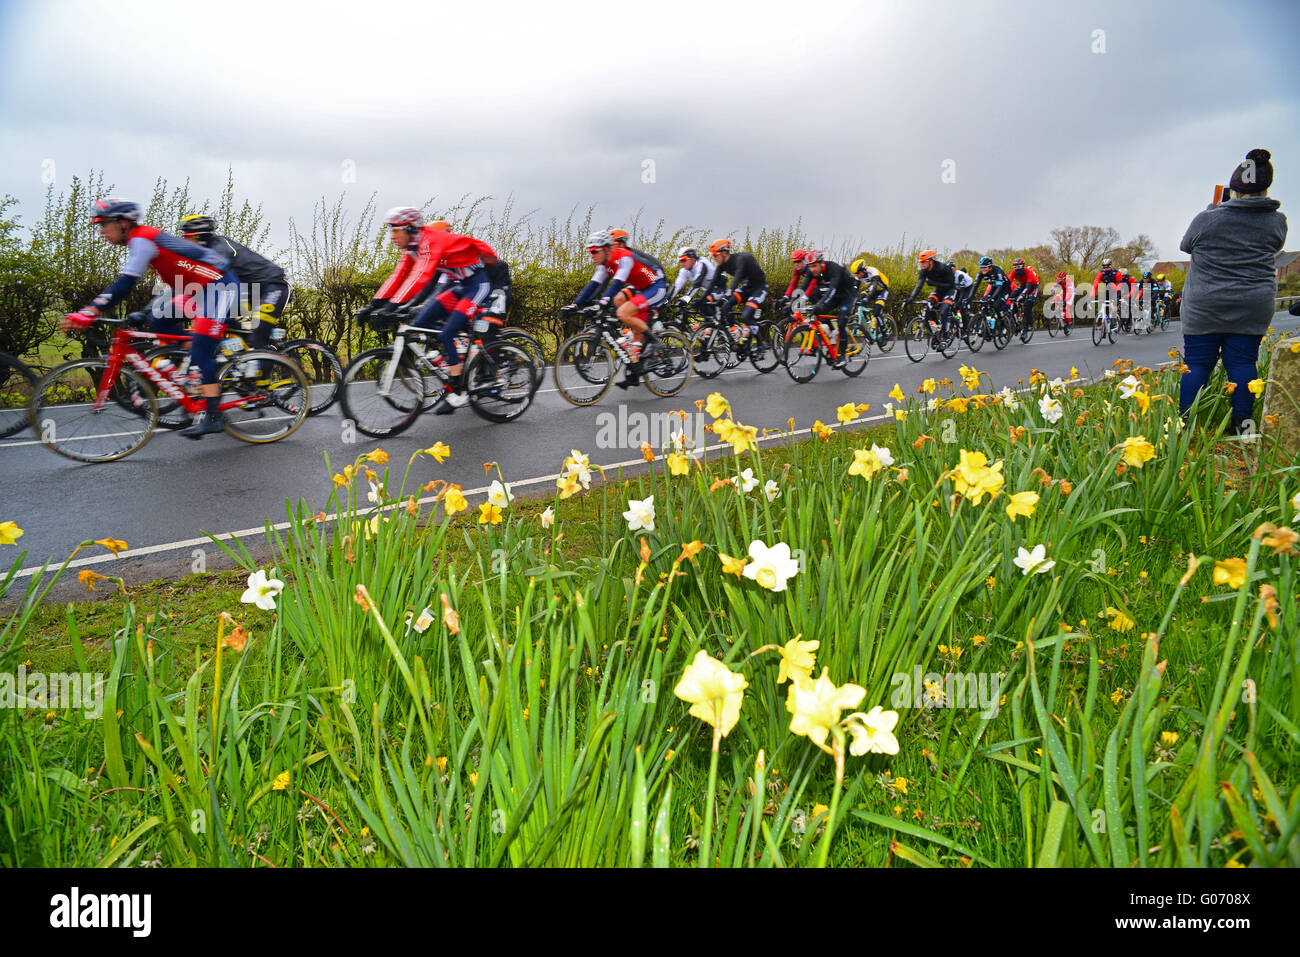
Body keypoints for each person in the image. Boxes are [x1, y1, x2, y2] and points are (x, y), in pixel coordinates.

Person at [62, 198, 240, 439]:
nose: (101, 231)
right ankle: (201, 353)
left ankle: (213, 417)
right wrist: (144, 312)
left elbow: (125, 283)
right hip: (197, 290)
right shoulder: (141, 241)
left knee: (201, 347)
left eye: (104, 224)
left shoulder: (142, 239)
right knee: (159, 320)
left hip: (220, 287)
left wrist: (89, 311)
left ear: (123, 223)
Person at [1178, 148, 1288, 434]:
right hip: (1252, 303)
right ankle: (1244, 427)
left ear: (1233, 189)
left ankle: (1185, 426)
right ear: (1266, 188)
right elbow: (1274, 245)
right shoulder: (1277, 222)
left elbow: (1186, 245)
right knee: (1242, 363)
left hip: (1205, 304)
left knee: (1197, 364)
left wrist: (1214, 208)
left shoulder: (1208, 218)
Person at [359, 207, 499, 414]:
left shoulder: (430, 240)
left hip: (478, 285)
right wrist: (374, 304)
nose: (392, 237)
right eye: (391, 231)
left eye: (396, 231)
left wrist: (391, 307)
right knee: (421, 323)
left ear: (410, 229)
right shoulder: (412, 248)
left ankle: (458, 391)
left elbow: (421, 276)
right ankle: (451, 362)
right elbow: (398, 276)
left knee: (448, 331)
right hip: (460, 286)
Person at [566, 229, 667, 389]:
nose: (591, 255)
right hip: (639, 287)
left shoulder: (624, 256)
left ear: (606, 249)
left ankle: (655, 343)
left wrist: (602, 303)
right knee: (619, 301)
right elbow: (594, 285)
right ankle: (635, 362)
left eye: (594, 251)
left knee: (622, 312)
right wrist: (576, 304)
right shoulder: (604, 264)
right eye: (589, 252)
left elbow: (618, 283)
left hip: (656, 286)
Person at [178, 215, 289, 349]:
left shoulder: (219, 249)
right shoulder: (207, 251)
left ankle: (261, 362)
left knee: (258, 336)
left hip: (272, 287)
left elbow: (206, 282)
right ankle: (242, 354)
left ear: (199, 237)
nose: (184, 240)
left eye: (187, 236)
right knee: (225, 325)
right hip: (249, 292)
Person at [706, 239, 768, 341]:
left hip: (759, 288)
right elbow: (712, 283)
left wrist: (726, 296)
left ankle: (761, 343)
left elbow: (736, 279)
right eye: (712, 256)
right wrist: (702, 299)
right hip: (746, 289)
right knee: (725, 306)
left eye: (715, 255)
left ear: (725, 252)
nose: (714, 258)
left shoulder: (741, 259)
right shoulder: (722, 266)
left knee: (746, 316)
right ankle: (736, 331)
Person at [802, 251, 857, 366]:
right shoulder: (813, 272)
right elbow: (803, 288)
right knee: (818, 313)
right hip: (836, 295)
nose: (812, 269)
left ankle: (842, 356)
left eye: (814, 266)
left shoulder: (833, 268)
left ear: (821, 263)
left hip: (848, 294)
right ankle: (831, 340)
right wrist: (790, 302)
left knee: (841, 322)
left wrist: (819, 304)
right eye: (810, 267)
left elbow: (831, 290)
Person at [902, 250, 958, 335]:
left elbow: (951, 284)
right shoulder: (923, 271)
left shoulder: (942, 268)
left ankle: (944, 334)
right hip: (939, 290)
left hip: (950, 290)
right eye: (920, 262)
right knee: (928, 306)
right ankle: (937, 329)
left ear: (930, 261)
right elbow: (919, 285)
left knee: (943, 311)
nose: (922, 264)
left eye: (924, 262)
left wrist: (934, 283)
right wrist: (911, 298)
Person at [973, 255, 1012, 322]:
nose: (982, 269)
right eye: (981, 267)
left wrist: (993, 298)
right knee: (983, 302)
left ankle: (1004, 324)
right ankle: (990, 322)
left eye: (984, 267)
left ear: (990, 267)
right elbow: (975, 286)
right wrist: (969, 298)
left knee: (996, 306)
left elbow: (999, 287)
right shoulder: (981, 273)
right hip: (994, 288)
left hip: (1005, 289)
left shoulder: (998, 271)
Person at [850, 259, 890, 324]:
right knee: (860, 299)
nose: (856, 276)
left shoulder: (872, 271)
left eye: (857, 273)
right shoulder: (859, 276)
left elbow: (873, 286)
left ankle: (884, 331)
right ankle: (867, 322)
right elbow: (855, 289)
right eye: (855, 274)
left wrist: (867, 298)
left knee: (876, 311)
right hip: (872, 289)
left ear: (863, 270)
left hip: (882, 290)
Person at [1008, 257, 1039, 334]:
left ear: (1023, 265)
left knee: (1027, 306)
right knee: (1011, 297)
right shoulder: (1013, 272)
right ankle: (1015, 319)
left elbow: (1028, 287)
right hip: (1022, 285)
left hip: (1032, 287)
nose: (1016, 268)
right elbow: (1008, 283)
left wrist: (1021, 295)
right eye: (1015, 267)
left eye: (1018, 266)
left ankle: (1028, 324)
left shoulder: (1028, 272)